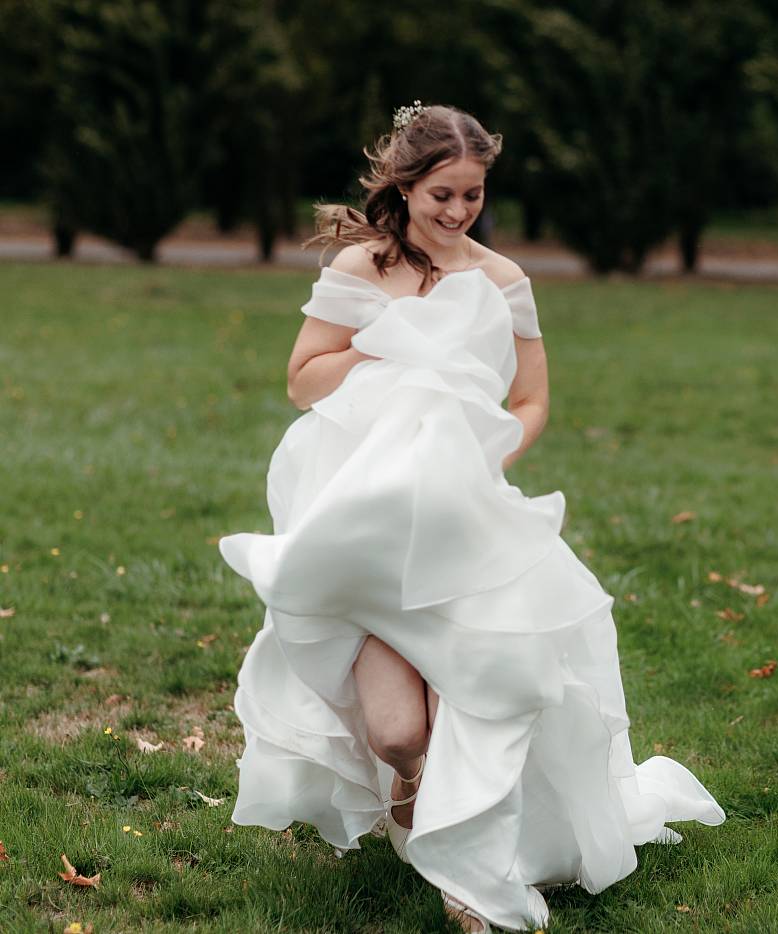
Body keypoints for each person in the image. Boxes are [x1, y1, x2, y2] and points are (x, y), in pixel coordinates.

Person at [219, 103, 724, 933]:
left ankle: (473, 878)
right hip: (366, 521)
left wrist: (481, 456)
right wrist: (391, 343)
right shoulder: (363, 267)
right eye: (442, 194)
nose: (457, 213)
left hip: (464, 518)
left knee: (484, 691)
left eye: (472, 196)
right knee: (394, 733)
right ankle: (415, 791)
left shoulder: (502, 282)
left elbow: (529, 401)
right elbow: (303, 380)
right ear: (406, 186)